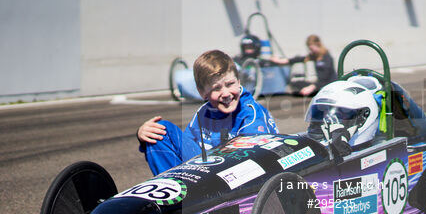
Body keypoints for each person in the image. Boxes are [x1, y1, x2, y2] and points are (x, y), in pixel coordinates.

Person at [136, 50, 278, 175]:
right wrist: (143, 133)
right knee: (160, 129)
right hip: (209, 171)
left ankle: (188, 199)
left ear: (239, 82)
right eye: (217, 88)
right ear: (202, 93)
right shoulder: (203, 112)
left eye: (230, 84)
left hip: (240, 175)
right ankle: (174, 193)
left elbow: (256, 161)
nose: (226, 93)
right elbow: (187, 146)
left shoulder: (251, 114)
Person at [268, 35, 336, 97]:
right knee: (296, 83)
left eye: (312, 49)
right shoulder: (315, 56)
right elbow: (299, 59)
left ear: (318, 44)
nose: (311, 51)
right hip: (319, 84)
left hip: (328, 84)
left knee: (307, 89)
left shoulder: (326, 58)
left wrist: (312, 87)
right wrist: (281, 60)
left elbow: (324, 79)